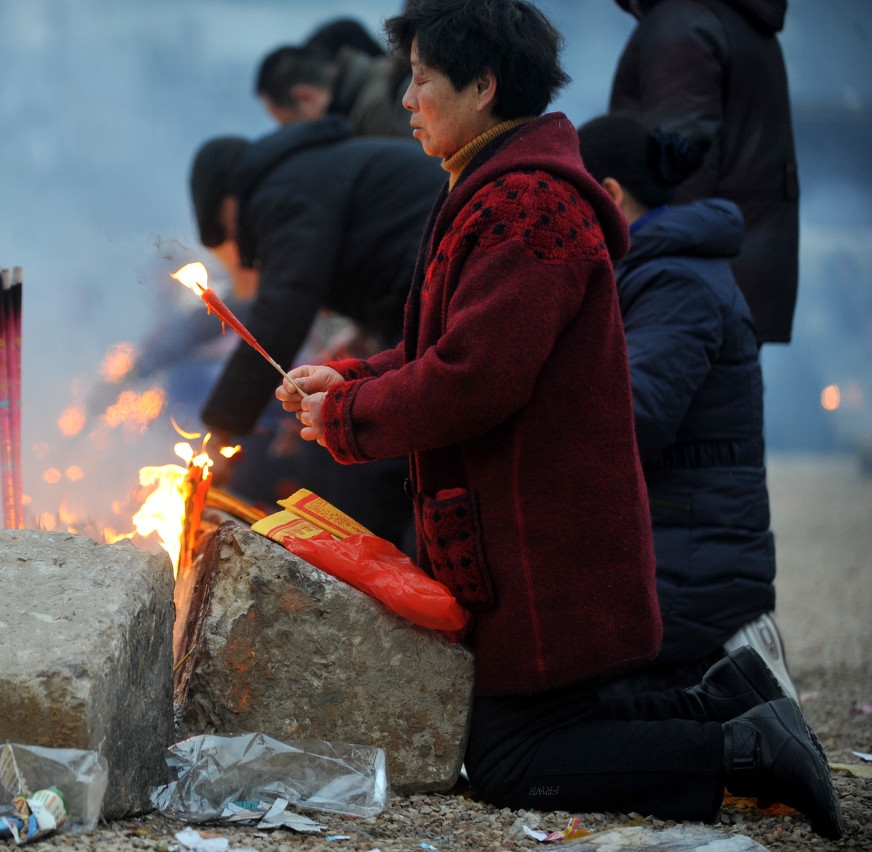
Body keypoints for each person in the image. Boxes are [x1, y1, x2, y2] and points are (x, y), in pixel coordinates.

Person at [275, 0, 842, 838]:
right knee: (538, 731)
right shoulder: (489, 185)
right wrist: (350, 377)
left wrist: (350, 415)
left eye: (422, 78)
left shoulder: (529, 205)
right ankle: (727, 701)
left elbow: (475, 379)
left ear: (483, 84)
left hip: (545, 543)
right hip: (526, 536)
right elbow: (443, 345)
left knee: (511, 761)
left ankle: (740, 748)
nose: (407, 99)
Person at [578, 113, 798, 701]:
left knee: (548, 715)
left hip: (690, 561)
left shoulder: (675, 280)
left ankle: (740, 693)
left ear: (607, 196)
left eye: (568, 200)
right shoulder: (653, 271)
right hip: (675, 538)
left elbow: (636, 415)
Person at [189, 117, 443, 545]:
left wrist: (222, 429)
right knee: (332, 451)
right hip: (421, 303)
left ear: (228, 200)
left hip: (440, 294)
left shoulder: (283, 190)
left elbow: (282, 309)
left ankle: (370, 598)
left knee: (365, 462)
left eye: (225, 231)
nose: (238, 244)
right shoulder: (307, 172)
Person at [609, 0, 799, 344]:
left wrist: (645, 284)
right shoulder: (721, 16)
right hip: (728, 279)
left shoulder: (683, 21)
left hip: (685, 294)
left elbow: (679, 175)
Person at [255, 33, 412, 138]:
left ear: (306, 97)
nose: (295, 135)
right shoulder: (379, 71)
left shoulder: (376, 113)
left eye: (291, 124)